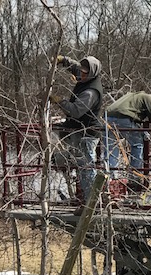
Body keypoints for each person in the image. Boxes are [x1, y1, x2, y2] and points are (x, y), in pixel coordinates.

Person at [50, 55, 104, 207]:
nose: (81, 75)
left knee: (86, 169)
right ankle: (86, 200)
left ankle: (91, 204)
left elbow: (75, 111)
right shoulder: (86, 77)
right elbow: (76, 67)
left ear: (92, 73)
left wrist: (60, 101)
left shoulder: (91, 92)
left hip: (87, 134)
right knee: (82, 167)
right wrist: (63, 60)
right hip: (79, 132)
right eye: (81, 71)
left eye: (85, 73)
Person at [104, 91, 151, 187]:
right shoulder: (149, 98)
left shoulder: (131, 95)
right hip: (124, 118)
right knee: (137, 144)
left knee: (111, 147)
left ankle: (110, 177)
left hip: (108, 117)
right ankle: (135, 176)